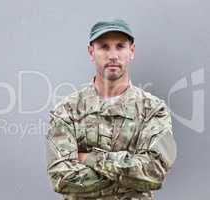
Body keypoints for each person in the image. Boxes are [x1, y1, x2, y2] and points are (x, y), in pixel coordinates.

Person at [45, 19, 177, 200]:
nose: (113, 55)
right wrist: (130, 176)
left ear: (132, 51)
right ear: (91, 52)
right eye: (104, 47)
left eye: (120, 46)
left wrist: (88, 159)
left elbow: (154, 173)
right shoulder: (67, 111)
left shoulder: (153, 110)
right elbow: (61, 178)